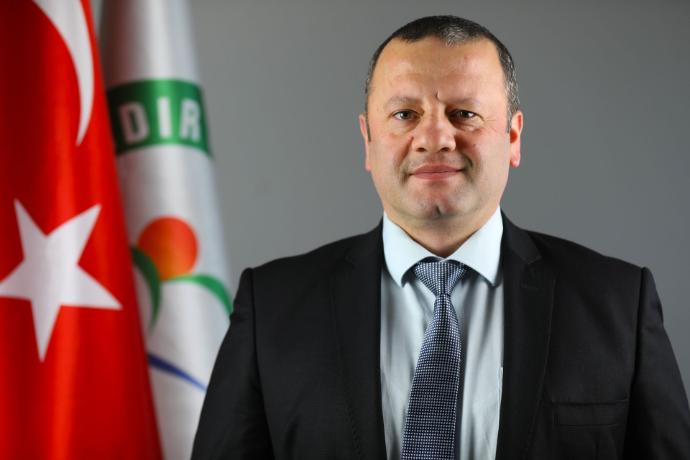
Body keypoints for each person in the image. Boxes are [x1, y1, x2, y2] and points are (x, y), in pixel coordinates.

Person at [192, 15, 690, 460]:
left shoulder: (618, 304)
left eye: (464, 113)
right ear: (368, 140)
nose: (434, 138)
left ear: (513, 137)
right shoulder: (273, 308)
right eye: (404, 114)